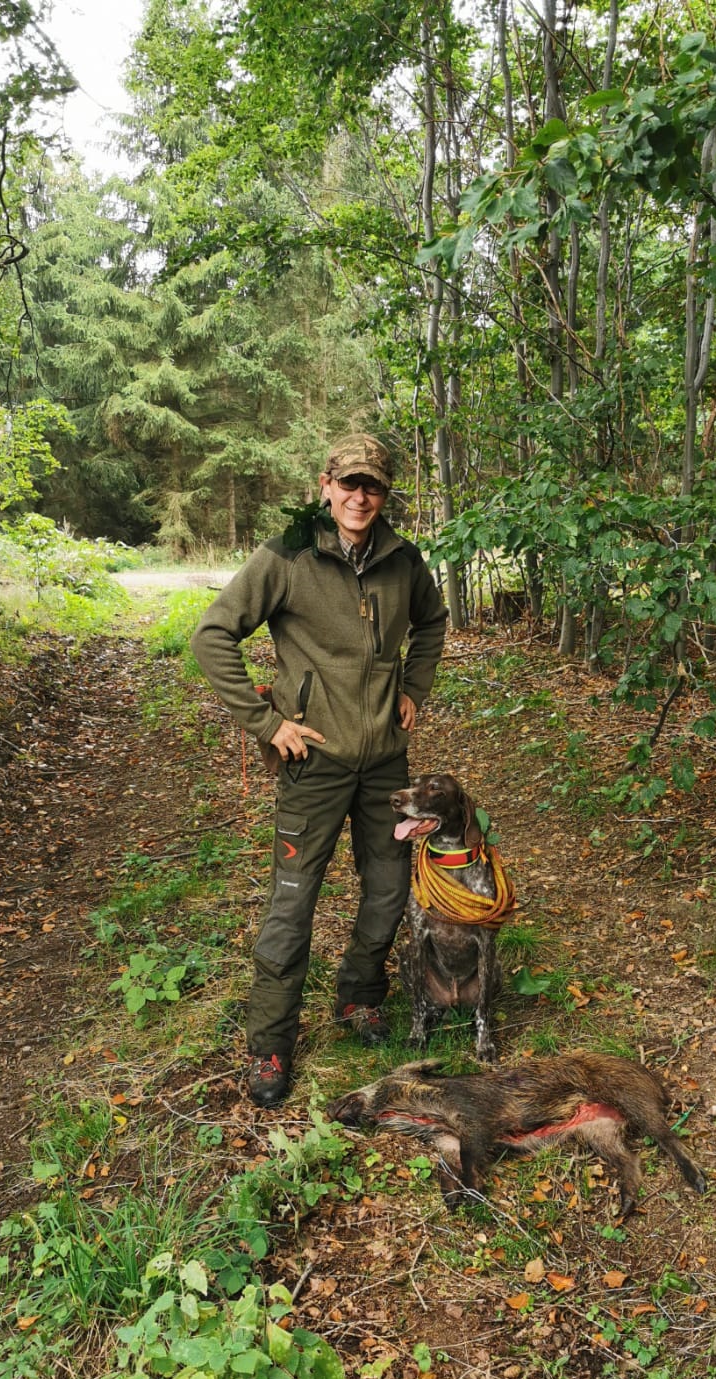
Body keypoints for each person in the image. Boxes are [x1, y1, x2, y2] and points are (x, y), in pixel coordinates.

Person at [192, 434, 449, 1107]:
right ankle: (271, 1042)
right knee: (293, 902)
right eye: (349, 483)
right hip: (314, 761)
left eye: (373, 486)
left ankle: (360, 994)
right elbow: (212, 635)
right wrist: (267, 723)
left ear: (385, 495)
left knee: (388, 890)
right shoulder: (287, 556)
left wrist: (413, 689)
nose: (360, 497)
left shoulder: (402, 560)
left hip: (385, 761)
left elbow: (432, 622)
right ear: (326, 485)